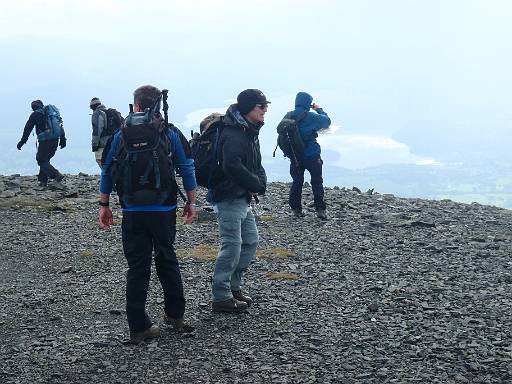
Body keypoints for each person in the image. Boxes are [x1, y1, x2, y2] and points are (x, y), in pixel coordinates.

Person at [98, 85, 197, 344]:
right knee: (167, 259)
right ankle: (175, 316)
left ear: (137, 105)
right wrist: (191, 202)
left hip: (132, 211)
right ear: (158, 105)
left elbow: (107, 170)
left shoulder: (120, 135)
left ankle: (138, 327)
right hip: (164, 209)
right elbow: (187, 167)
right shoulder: (170, 132)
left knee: (137, 268)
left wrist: (104, 205)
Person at [208, 89, 268, 313]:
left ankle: (233, 288)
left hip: (242, 196)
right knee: (232, 245)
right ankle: (221, 296)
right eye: (261, 107)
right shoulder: (234, 133)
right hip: (229, 196)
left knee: (250, 241)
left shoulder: (249, 131)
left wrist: (259, 183)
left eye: (265, 106)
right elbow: (231, 166)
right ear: (248, 108)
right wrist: (255, 184)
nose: (265, 111)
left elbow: (254, 163)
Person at [286, 92, 331, 219]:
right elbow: (327, 121)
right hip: (312, 154)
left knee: (297, 181)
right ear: (308, 103)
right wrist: (318, 109)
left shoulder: (288, 115)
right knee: (317, 181)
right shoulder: (311, 116)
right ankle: (320, 210)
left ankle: (296, 209)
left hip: (295, 156)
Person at [17, 100, 66, 187]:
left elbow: (28, 128)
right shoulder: (50, 114)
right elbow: (59, 125)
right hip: (55, 139)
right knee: (45, 160)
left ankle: (56, 175)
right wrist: (63, 139)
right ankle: (43, 181)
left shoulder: (35, 114)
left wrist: (22, 141)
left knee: (41, 160)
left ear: (33, 108)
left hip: (45, 140)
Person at [90, 97, 108, 167]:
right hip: (114, 143)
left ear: (92, 107)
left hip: (102, 144)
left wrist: (94, 145)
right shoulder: (109, 112)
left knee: (101, 161)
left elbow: (97, 131)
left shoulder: (97, 114)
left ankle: (105, 177)